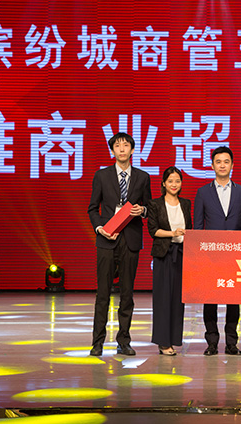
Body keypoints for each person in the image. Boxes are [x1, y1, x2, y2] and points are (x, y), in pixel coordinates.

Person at [88, 132, 152, 357]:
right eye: (117, 145)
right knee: (103, 294)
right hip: (106, 239)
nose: (122, 149)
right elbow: (92, 208)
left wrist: (142, 210)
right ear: (112, 151)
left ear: (132, 150)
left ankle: (124, 341)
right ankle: (97, 342)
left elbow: (150, 207)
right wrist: (100, 228)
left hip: (130, 240)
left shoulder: (143, 177)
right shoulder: (101, 176)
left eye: (126, 145)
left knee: (127, 294)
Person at [194, 146, 241, 356]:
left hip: (235, 255)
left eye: (226, 161)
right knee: (210, 300)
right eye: (218, 162)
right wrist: (200, 255)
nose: (222, 165)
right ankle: (211, 342)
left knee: (233, 300)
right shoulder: (203, 192)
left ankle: (232, 343)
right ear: (212, 165)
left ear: (232, 165)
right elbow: (198, 226)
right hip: (210, 255)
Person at [147, 167, 191, 356]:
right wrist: (172, 233)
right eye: (170, 181)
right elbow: (153, 230)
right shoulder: (155, 204)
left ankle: (174, 339)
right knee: (163, 299)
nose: (174, 184)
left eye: (177, 181)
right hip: (163, 255)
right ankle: (163, 342)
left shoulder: (186, 203)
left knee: (178, 300)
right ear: (164, 183)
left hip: (181, 254)